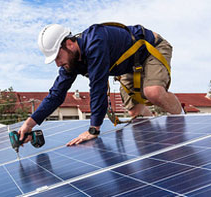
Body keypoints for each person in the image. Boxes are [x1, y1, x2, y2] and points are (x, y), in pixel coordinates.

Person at [18, 23, 183, 146]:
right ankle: (154, 146)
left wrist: (94, 129)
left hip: (150, 49)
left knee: (152, 92)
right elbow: (56, 95)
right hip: (128, 66)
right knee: (135, 112)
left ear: (69, 44)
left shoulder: (95, 41)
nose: (58, 64)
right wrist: (29, 124)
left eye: (57, 57)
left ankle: (185, 128)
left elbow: (98, 87)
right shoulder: (71, 61)